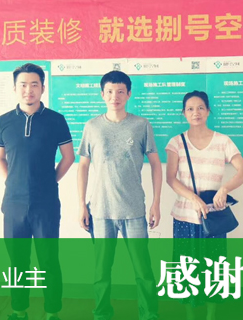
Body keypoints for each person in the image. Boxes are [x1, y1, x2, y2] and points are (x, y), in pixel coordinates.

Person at [77, 70, 162, 320]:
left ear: (129, 94)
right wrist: (81, 205)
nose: (115, 96)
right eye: (110, 91)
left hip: (134, 209)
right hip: (100, 211)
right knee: (101, 271)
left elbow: (156, 164)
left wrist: (156, 203)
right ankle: (102, 313)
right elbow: (83, 166)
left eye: (121, 91)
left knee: (143, 269)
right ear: (102, 94)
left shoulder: (141, 125)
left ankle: (149, 313)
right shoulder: (92, 126)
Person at [0, 63, 75, 320]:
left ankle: (52, 311)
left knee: (48, 260)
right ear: (15, 88)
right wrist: (14, 182)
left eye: (34, 84)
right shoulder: (3, 121)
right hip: (13, 204)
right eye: (23, 85)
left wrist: (50, 181)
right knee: (18, 261)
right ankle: (19, 310)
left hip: (45, 203)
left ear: (43, 88)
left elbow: (69, 157)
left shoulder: (56, 120)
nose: (29, 90)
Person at [165, 90, 243, 320]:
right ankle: (190, 315)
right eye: (190, 109)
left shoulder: (223, 141)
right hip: (185, 216)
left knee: (214, 268)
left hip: (213, 217)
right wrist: (194, 198)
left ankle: (211, 315)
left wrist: (225, 189)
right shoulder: (176, 143)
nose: (196, 112)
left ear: (208, 111)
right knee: (186, 269)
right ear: (184, 113)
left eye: (201, 107)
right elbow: (171, 179)